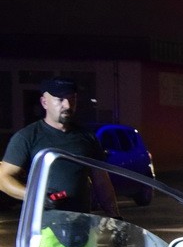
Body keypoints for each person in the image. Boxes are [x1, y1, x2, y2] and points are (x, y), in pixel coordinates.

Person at [0, 77, 120, 218]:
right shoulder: (27, 137)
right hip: (43, 229)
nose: (68, 105)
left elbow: (101, 182)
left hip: (82, 225)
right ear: (44, 102)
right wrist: (35, 196)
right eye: (60, 99)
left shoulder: (88, 138)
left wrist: (114, 216)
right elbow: (3, 179)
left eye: (72, 99)